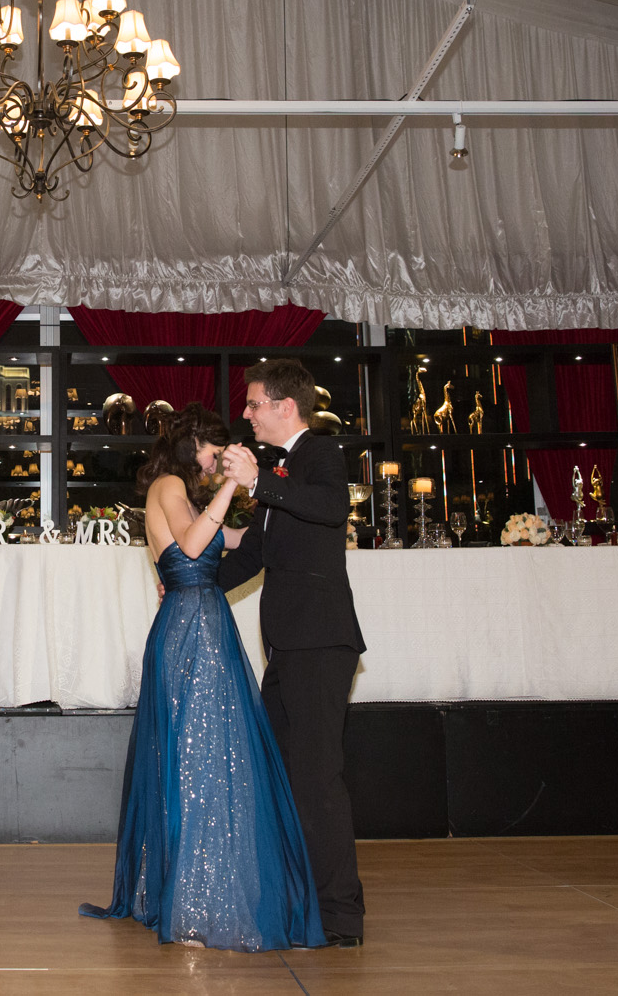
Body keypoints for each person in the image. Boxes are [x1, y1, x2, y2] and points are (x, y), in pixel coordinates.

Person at [80, 405, 325, 951]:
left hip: (209, 625)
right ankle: (190, 900)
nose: (218, 462)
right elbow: (192, 546)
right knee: (193, 758)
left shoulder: (190, 497)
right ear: (193, 445)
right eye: (216, 451)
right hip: (189, 629)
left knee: (214, 756)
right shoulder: (168, 485)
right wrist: (231, 487)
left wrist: (274, 503)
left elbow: (234, 540)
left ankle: (210, 889)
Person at [217, 358, 367, 946]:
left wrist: (259, 482)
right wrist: (193, 585)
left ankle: (339, 917)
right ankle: (298, 901)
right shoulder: (281, 470)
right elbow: (256, 553)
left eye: (254, 403)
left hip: (320, 641)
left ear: (285, 406)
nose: (247, 413)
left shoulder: (321, 453)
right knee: (281, 774)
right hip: (288, 646)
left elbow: (330, 508)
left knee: (316, 779)